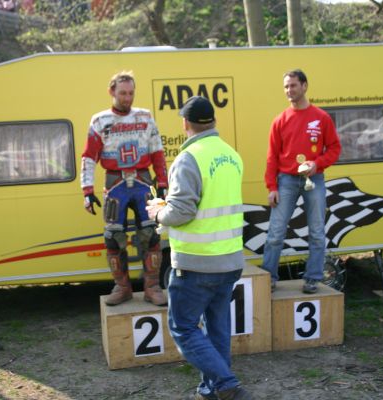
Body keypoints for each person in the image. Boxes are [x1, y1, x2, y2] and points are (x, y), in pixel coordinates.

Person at [146, 96, 252, 400]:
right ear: (214, 121)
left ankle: (227, 384)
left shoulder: (188, 158)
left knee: (183, 328)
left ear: (185, 123)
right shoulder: (232, 155)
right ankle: (210, 390)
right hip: (230, 261)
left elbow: (182, 212)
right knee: (218, 329)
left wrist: (158, 213)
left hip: (196, 264)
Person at [81, 71, 168, 306]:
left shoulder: (145, 117)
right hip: (115, 184)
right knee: (113, 238)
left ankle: (152, 287)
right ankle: (122, 288)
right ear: (111, 92)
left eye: (131, 93)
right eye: (122, 93)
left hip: (143, 182)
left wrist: (162, 183)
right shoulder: (99, 121)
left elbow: (157, 151)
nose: (127, 98)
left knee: (151, 235)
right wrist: (87, 191)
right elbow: (89, 156)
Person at [263, 69, 341, 294]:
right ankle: (269, 278)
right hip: (286, 180)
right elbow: (272, 157)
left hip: (313, 179)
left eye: (293, 85)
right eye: (286, 86)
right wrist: (272, 187)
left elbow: (335, 148)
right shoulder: (280, 120)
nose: (289, 90)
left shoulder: (321, 118)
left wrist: (317, 164)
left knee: (316, 232)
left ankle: (313, 278)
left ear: (305, 86)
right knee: (275, 233)